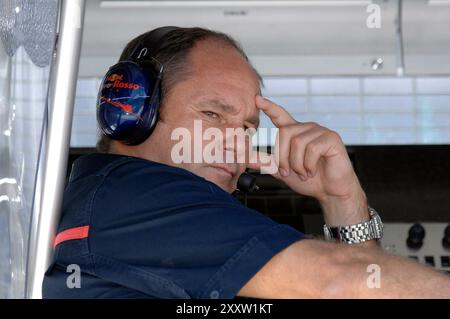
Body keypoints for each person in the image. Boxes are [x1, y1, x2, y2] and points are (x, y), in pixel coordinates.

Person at [42, 27, 450, 298]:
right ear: (132, 109)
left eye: (248, 129)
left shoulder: (125, 206)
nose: (235, 144)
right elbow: (338, 281)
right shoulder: (131, 194)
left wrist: (342, 200)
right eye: (213, 116)